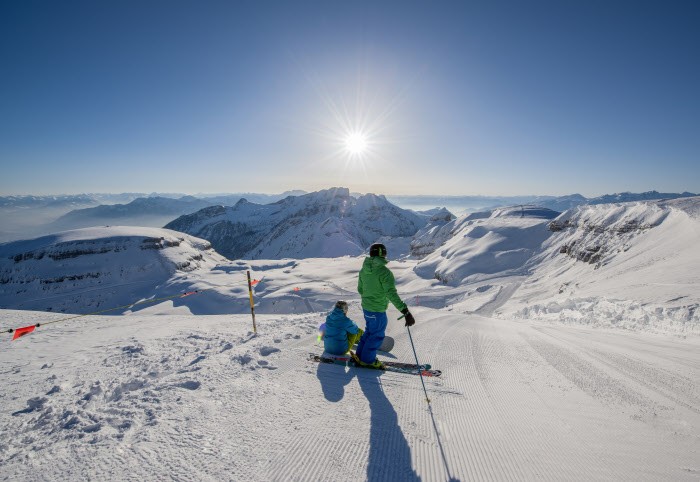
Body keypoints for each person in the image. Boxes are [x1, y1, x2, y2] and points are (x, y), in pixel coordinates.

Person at [352, 243, 415, 369]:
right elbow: (391, 294)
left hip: (366, 308)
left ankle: (360, 356)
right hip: (377, 310)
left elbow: (360, 289)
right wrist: (405, 311)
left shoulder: (364, 270)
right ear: (383, 254)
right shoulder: (384, 272)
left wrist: (370, 295)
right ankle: (367, 360)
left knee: (369, 332)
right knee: (376, 335)